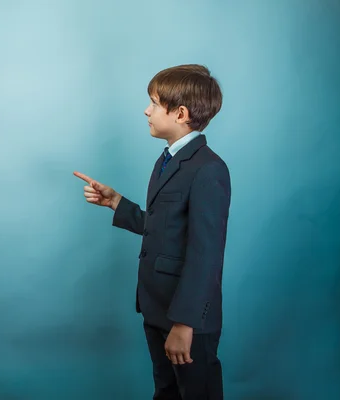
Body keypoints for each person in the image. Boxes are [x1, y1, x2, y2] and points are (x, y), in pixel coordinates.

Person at [74, 64, 231, 399]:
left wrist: (184, 324)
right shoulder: (168, 160)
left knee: (196, 393)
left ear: (180, 113)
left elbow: (206, 255)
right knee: (167, 391)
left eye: (155, 103)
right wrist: (117, 202)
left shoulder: (209, 169)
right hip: (157, 307)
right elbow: (165, 229)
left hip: (187, 318)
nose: (147, 110)